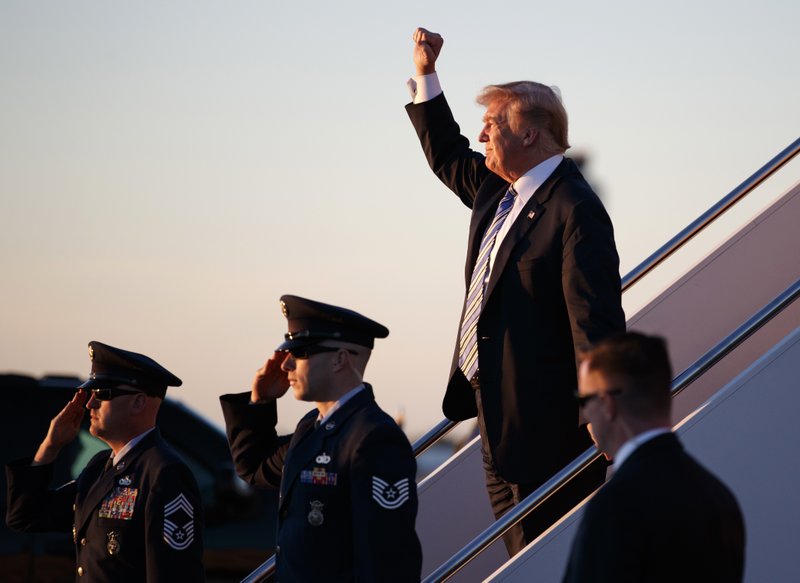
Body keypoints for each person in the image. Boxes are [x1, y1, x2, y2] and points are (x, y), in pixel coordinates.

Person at [406, 27, 626, 555]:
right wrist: (426, 74)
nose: (482, 137)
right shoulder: (495, 192)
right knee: (519, 558)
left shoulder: (575, 208)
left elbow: (593, 320)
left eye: (492, 124)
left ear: (531, 134)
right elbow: (446, 155)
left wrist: (600, 402)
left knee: (547, 557)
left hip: (546, 425)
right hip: (494, 415)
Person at [219, 295, 422, 582]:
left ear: (340, 359)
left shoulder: (374, 437)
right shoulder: (310, 429)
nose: (286, 365)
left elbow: (387, 559)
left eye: (300, 353)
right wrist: (260, 403)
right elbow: (254, 467)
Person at [6, 341, 205, 582]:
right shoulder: (99, 467)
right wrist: (50, 446)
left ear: (138, 402)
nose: (90, 403)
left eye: (102, 393)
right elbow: (25, 516)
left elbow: (172, 575)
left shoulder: (163, 472)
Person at [563, 331, 745, 582]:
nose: (585, 413)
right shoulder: (719, 496)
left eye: (584, 399)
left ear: (607, 405)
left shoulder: (614, 507)